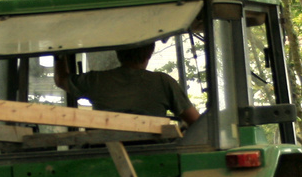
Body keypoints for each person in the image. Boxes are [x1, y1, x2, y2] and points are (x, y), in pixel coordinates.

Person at [56, 43, 201, 126]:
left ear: (118, 52)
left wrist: (59, 51)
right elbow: (195, 122)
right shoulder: (163, 82)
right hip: (154, 152)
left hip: (106, 154)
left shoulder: (96, 80)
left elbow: (61, 80)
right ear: (150, 53)